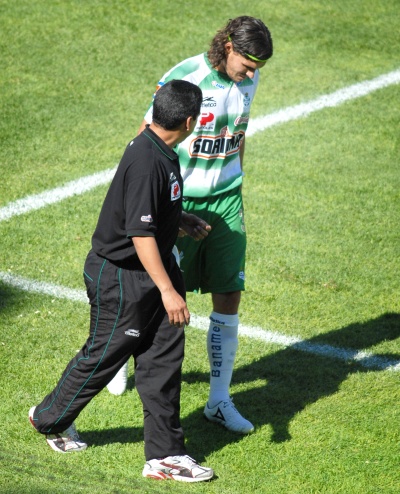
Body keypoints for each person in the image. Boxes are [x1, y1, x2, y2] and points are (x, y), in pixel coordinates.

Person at [28, 80, 214, 483]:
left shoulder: (159, 148)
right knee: (104, 355)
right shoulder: (147, 159)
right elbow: (140, 234)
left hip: (152, 269)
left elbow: (146, 211)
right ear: (189, 121)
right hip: (122, 276)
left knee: (163, 360)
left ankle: (164, 455)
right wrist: (168, 291)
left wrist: (179, 219)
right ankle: (48, 419)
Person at [108, 15, 273, 435]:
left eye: (257, 69)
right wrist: (163, 204)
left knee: (229, 292)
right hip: (178, 199)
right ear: (229, 47)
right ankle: (118, 360)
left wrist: (236, 178)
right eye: (248, 65)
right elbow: (146, 138)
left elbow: (238, 134)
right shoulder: (186, 77)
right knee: (151, 293)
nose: (251, 75)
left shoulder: (249, 80)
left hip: (227, 200)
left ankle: (218, 401)